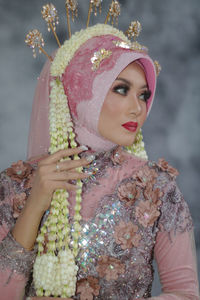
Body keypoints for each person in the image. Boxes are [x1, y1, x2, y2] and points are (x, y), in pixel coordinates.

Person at [0, 3, 199, 299]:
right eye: (121, 89)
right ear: (81, 88)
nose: (138, 107)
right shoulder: (18, 184)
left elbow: (185, 293)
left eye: (144, 95)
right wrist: (35, 205)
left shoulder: (156, 189)